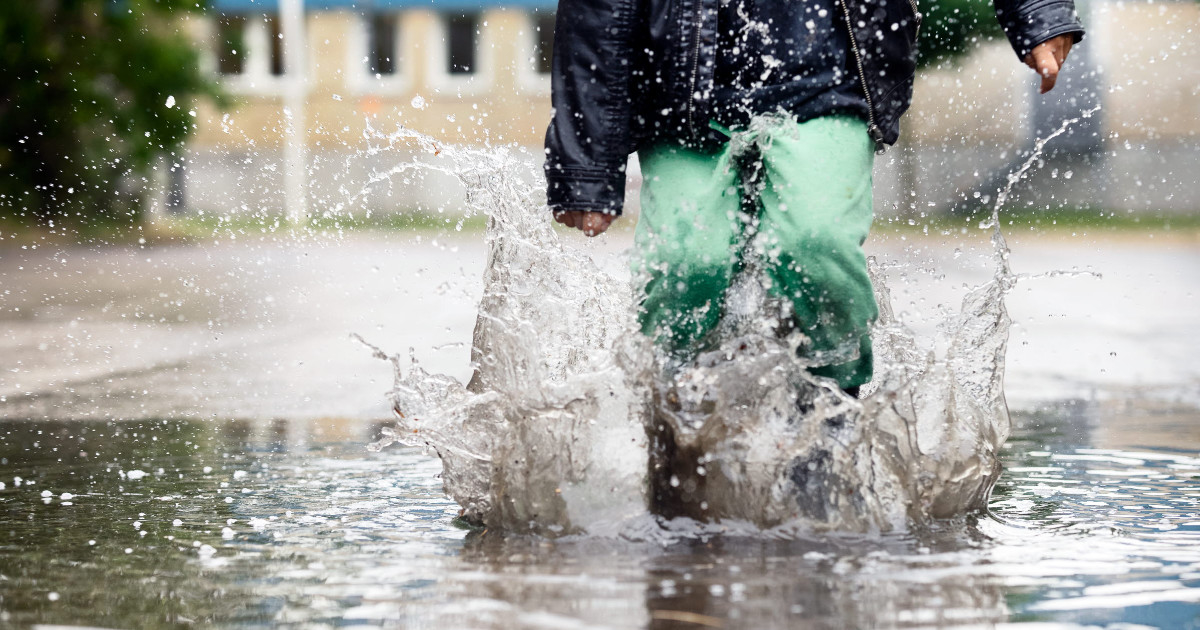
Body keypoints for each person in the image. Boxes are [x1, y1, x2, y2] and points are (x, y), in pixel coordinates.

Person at [543, 0, 1082, 394]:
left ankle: (833, 406)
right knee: (688, 262)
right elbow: (596, 16)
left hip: (829, 80)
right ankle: (668, 409)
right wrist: (587, 164)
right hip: (683, 94)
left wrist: (1038, 13)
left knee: (814, 243)